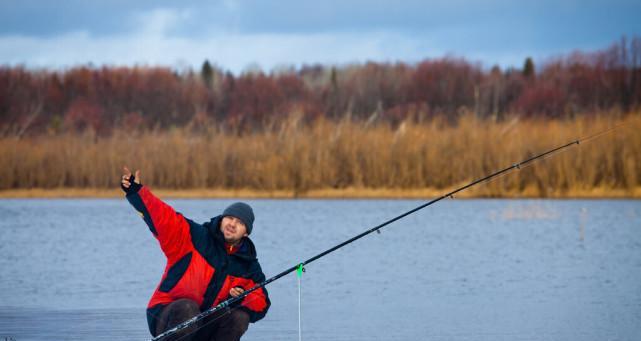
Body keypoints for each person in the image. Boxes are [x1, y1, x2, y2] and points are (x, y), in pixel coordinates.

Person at [121, 166, 270, 341]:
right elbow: (163, 217)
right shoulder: (194, 237)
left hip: (204, 324)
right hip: (167, 315)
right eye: (229, 218)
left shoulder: (248, 264)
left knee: (239, 317)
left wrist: (242, 297)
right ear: (222, 219)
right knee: (188, 308)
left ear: (246, 232)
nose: (232, 224)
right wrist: (137, 193)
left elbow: (261, 303)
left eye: (240, 222)